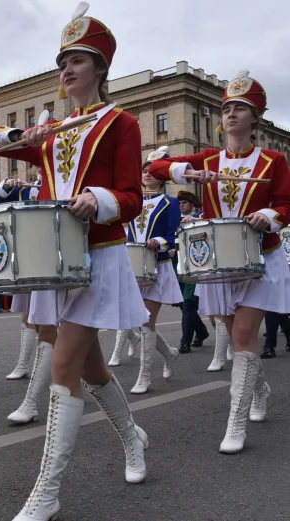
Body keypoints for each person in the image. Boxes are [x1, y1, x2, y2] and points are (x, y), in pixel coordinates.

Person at [0, 5, 150, 518]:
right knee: (90, 367)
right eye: (61, 62)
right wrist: (19, 138)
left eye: (77, 60)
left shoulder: (121, 122)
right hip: (54, 260)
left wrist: (99, 199)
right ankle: (133, 438)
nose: (66, 70)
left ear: (100, 67)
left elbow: (133, 197)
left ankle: (46, 492)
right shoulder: (54, 131)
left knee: (65, 362)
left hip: (99, 254)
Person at [149, 70, 290, 453]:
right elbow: (156, 168)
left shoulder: (273, 160)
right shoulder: (209, 158)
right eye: (226, 108)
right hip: (218, 260)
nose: (230, 114)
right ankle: (260, 391)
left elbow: (286, 204)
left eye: (240, 109)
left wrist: (270, 217)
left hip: (261, 256)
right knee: (237, 335)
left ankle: (236, 423)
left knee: (243, 338)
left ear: (254, 118)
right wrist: (187, 171)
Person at [0, 175, 57, 424]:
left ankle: (78, 377)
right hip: (30, 259)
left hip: (64, 260)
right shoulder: (28, 189)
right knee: (35, 320)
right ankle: (25, 370)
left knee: (69, 329)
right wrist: (5, 187)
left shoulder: (66, 181)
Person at [109, 147, 183, 393]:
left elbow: (172, 237)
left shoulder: (170, 202)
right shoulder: (132, 202)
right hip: (132, 267)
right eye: (144, 170)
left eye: (153, 170)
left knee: (147, 322)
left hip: (157, 266)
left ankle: (145, 377)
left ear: (163, 176)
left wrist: (158, 242)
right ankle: (169, 355)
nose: (148, 174)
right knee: (141, 321)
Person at [176, 190, 209, 353]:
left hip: (196, 262)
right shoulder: (174, 218)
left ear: (193, 204)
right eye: (179, 203)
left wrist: (194, 221)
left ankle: (185, 342)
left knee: (188, 302)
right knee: (181, 303)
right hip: (177, 263)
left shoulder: (202, 215)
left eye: (185, 203)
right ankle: (201, 331)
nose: (181, 205)